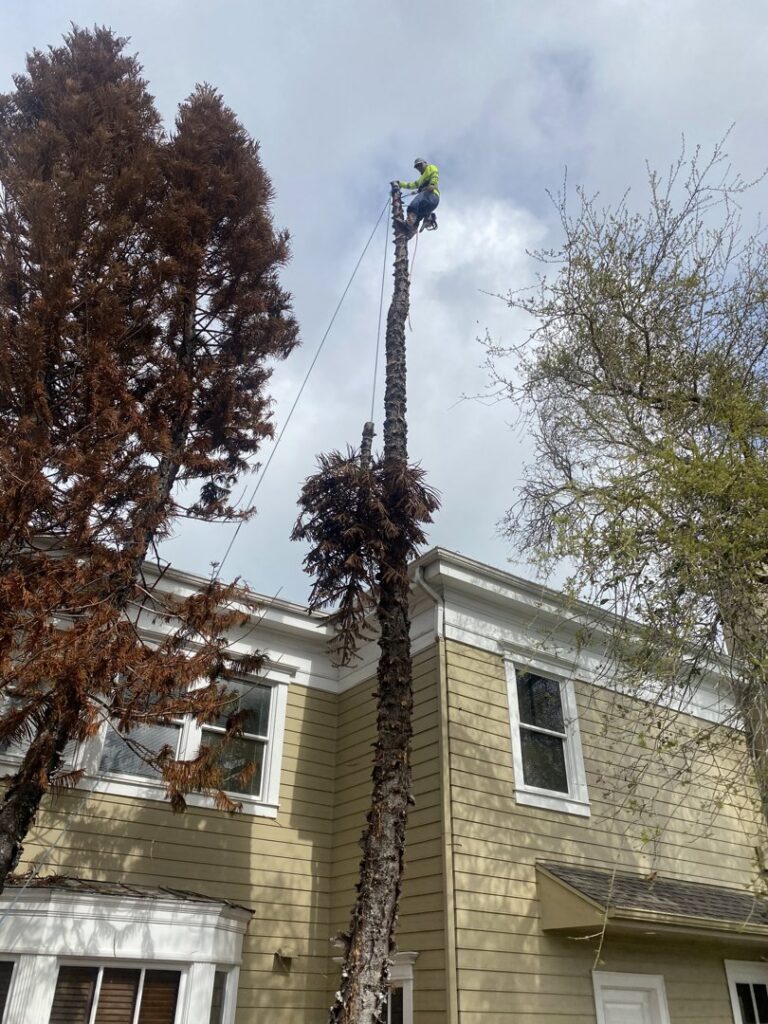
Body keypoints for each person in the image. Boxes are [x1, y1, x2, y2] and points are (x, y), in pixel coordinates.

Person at [391, 158, 439, 238]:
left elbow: (435, 175)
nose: (419, 167)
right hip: (429, 204)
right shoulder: (421, 180)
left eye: (420, 165)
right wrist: (400, 184)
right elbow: (411, 185)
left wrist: (433, 184)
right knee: (418, 215)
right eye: (417, 167)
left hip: (432, 195)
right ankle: (410, 231)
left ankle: (410, 222)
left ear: (425, 163)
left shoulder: (430, 167)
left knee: (413, 206)